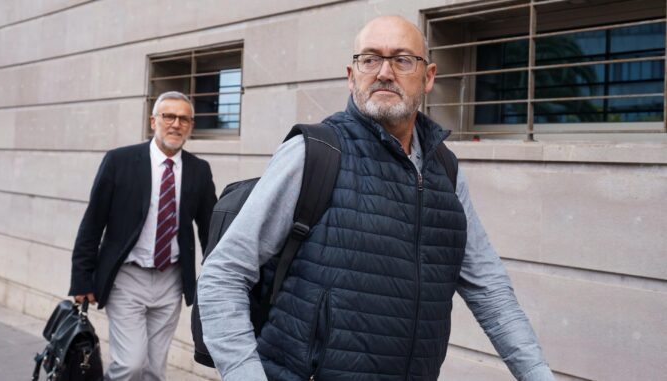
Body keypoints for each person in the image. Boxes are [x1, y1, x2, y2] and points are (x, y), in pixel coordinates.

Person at [198, 16, 554, 381]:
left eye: (402, 60)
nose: (384, 72)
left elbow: (489, 287)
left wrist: (537, 373)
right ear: (352, 75)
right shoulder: (314, 152)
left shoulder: (444, 168)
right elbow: (223, 274)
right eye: (370, 59)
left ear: (428, 77)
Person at [69, 91, 216, 381]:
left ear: (191, 125)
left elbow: (210, 229)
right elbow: (93, 222)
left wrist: (217, 278)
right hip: (127, 277)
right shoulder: (118, 161)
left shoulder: (199, 170)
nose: (176, 124)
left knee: (153, 370)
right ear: (153, 121)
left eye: (184, 119)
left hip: (171, 280)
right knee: (130, 365)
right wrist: (81, 278)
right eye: (168, 116)